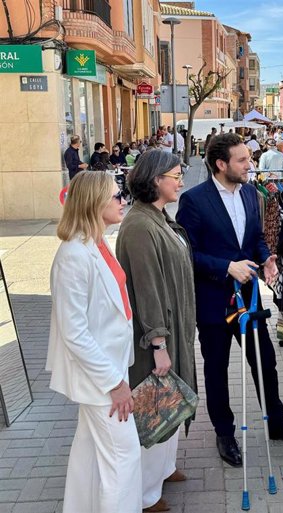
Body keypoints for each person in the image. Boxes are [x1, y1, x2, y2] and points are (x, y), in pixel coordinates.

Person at [176, 133, 283, 468]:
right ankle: (224, 432)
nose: (249, 165)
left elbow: (254, 238)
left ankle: (276, 422)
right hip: (213, 301)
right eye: (242, 160)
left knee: (265, 361)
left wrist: (266, 258)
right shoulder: (194, 200)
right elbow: (187, 254)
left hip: (249, 299)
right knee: (217, 369)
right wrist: (226, 267)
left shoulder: (252, 193)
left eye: (248, 159)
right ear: (221, 164)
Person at [47, 171, 140, 512]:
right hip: (101, 378)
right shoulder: (73, 256)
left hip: (110, 368)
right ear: (94, 202)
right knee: (123, 457)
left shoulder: (98, 244)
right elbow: (74, 332)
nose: (123, 201)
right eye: (117, 196)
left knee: (88, 454)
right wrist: (114, 383)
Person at [116, 151, 197, 513]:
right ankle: (147, 493)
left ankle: (164, 469)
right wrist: (158, 342)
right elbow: (146, 288)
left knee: (172, 400)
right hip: (157, 335)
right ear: (155, 179)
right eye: (175, 175)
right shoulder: (138, 226)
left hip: (174, 328)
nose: (180, 181)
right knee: (154, 406)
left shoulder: (158, 218)